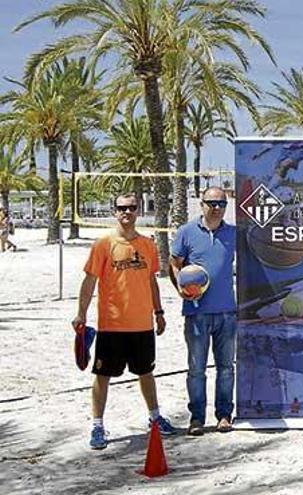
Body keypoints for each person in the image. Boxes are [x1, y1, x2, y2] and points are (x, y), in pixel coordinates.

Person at [72, 193, 174, 450]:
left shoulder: (148, 245)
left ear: (138, 211)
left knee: (146, 372)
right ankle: (97, 425)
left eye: (131, 207)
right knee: (102, 375)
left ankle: (155, 418)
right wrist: (81, 313)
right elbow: (89, 281)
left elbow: (151, 281)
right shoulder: (104, 244)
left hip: (142, 324)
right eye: (122, 208)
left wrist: (159, 312)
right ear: (114, 211)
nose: (127, 212)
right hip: (112, 325)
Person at [170, 187, 237, 436]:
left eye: (221, 203)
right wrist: (181, 289)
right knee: (196, 369)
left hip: (227, 312)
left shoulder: (232, 233)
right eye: (212, 203)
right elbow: (175, 265)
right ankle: (197, 418)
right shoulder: (186, 232)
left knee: (226, 367)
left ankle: (224, 415)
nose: (217, 208)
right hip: (196, 312)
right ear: (202, 204)